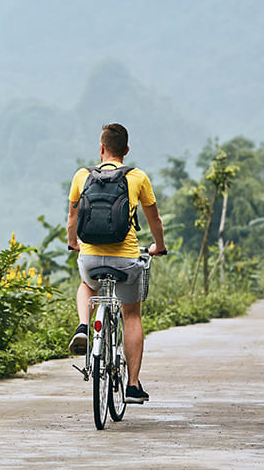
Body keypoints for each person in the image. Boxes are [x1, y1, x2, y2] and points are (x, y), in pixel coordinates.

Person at [66, 122, 166, 404]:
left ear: (101, 148)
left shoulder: (82, 175)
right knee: (131, 314)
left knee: (86, 284)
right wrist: (159, 246)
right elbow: (154, 220)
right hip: (125, 261)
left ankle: (85, 326)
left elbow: (73, 219)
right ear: (127, 150)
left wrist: (74, 243)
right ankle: (132, 385)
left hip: (90, 258)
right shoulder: (137, 177)